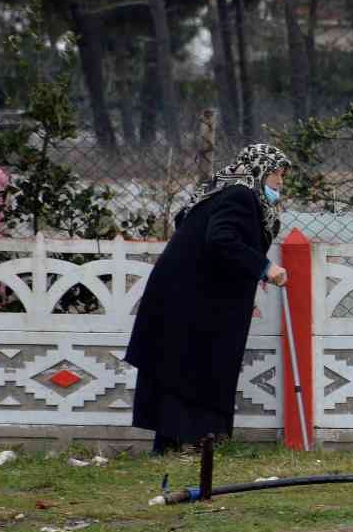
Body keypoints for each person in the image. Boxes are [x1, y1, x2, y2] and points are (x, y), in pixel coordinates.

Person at [125, 143, 292, 455]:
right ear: (259, 171)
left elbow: (188, 225)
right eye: (276, 174)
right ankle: (193, 442)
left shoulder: (222, 189)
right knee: (194, 367)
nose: (280, 182)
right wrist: (265, 268)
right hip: (193, 298)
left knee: (180, 367)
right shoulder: (240, 195)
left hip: (187, 294)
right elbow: (221, 238)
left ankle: (175, 445)